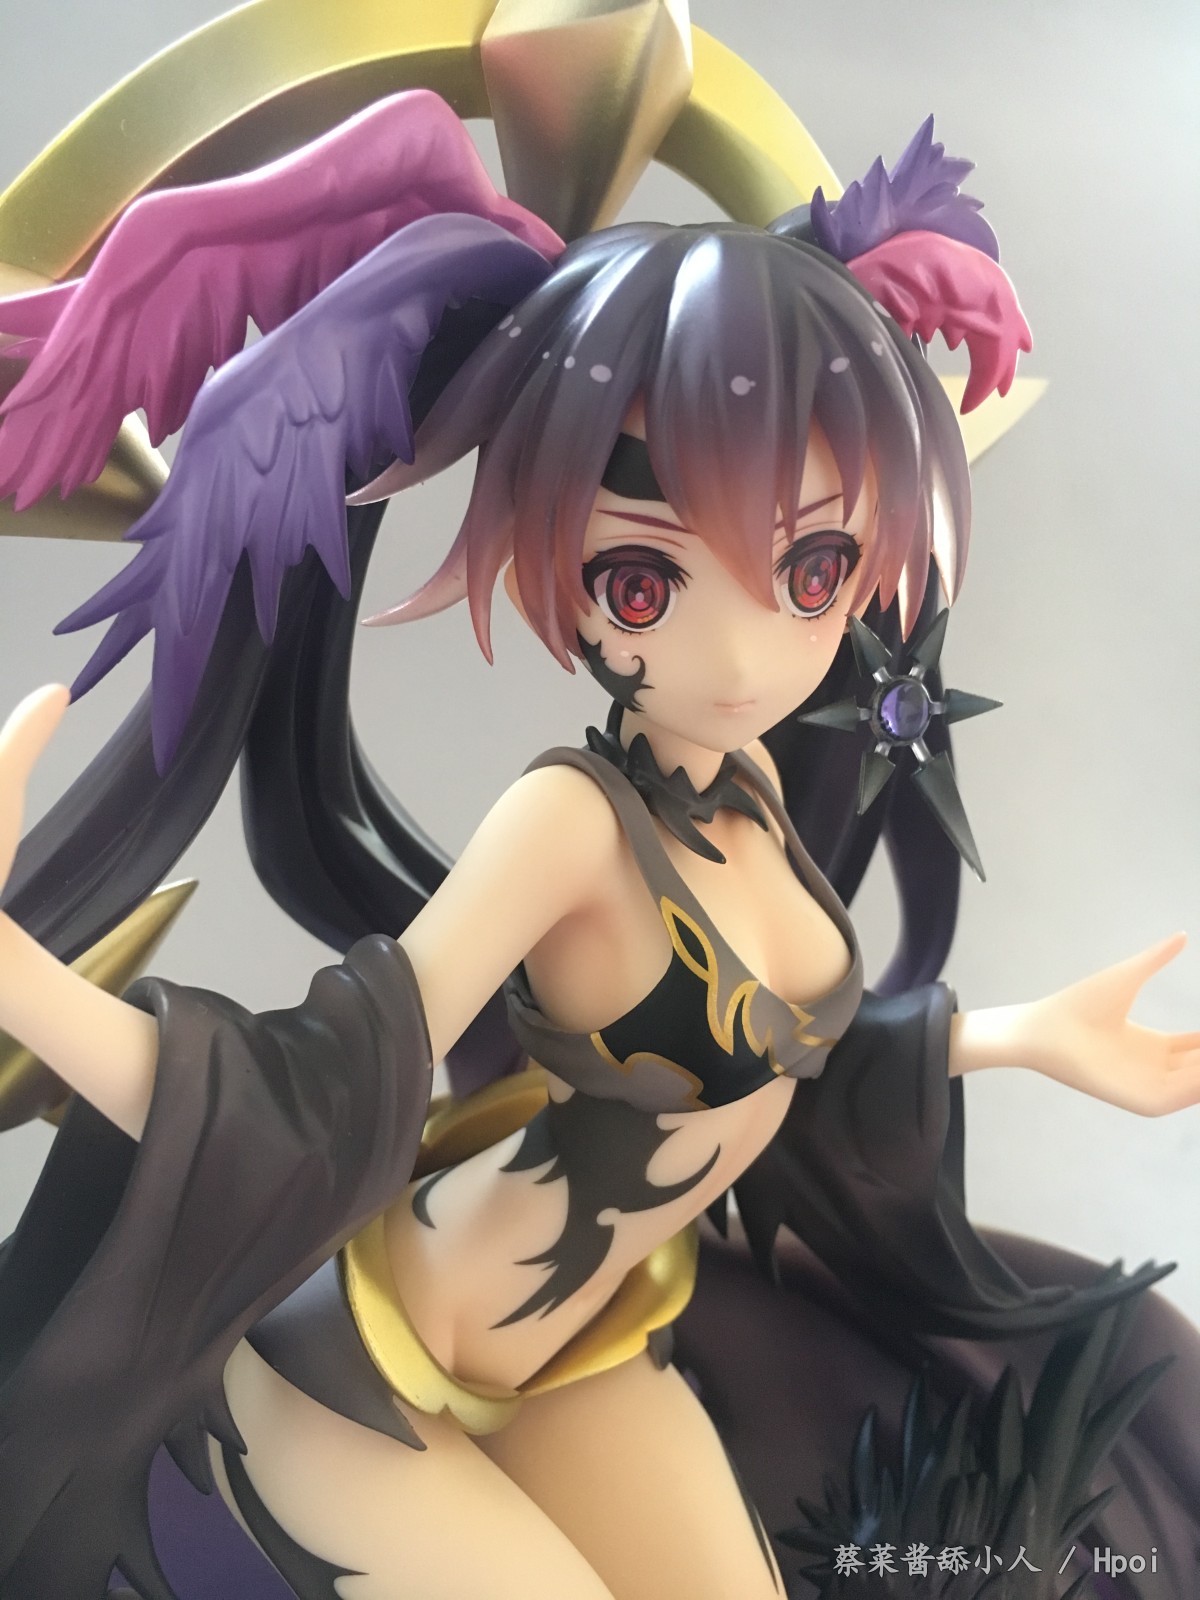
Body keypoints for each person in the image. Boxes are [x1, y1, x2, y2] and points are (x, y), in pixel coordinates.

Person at [0, 76, 1196, 1600]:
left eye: (813, 567)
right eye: (645, 581)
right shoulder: (569, 824)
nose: (744, 653)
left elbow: (795, 1056)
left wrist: (1026, 1040)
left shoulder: (750, 785)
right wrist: (13, 972)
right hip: (370, 1370)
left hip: (594, 1342)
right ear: (560, 565)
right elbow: (304, 1094)